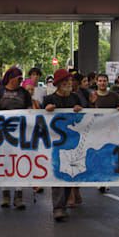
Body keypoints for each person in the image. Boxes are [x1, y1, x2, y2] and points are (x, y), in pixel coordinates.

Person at [42, 68, 83, 222]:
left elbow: (85, 117)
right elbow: (39, 119)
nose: (69, 83)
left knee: (68, 174)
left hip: (72, 143)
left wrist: (80, 110)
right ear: (58, 84)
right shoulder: (49, 99)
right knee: (57, 174)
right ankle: (58, 208)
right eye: (65, 81)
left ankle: (63, 205)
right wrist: (45, 111)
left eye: (70, 81)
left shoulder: (75, 98)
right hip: (55, 144)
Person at [0, 67, 32, 209]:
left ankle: (19, 195)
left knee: (19, 162)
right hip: (2, 135)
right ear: (11, 78)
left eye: (21, 79)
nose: (20, 81)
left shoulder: (24, 93)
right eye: (18, 78)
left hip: (20, 134)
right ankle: (5, 194)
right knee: (4, 163)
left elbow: (30, 111)